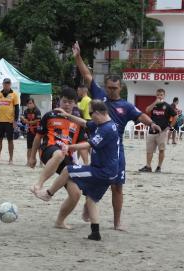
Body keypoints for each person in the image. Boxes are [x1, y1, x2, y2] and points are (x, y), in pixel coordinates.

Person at [73, 41, 161, 230]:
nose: (112, 90)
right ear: (105, 86)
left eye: (115, 87)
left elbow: (141, 115)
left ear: (120, 87)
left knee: (117, 187)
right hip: (97, 146)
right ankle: (88, 205)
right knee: (96, 179)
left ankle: (117, 222)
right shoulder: (98, 95)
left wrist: (152, 123)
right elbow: (86, 74)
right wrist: (78, 57)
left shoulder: (126, 106)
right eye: (109, 87)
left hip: (116, 151)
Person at [34, 100, 120, 241]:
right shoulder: (103, 124)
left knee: (68, 170)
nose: (90, 117)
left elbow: (89, 144)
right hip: (109, 172)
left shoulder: (107, 129)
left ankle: (48, 194)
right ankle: (95, 232)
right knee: (92, 199)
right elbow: (84, 123)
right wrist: (68, 115)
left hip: (102, 171)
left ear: (98, 113)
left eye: (91, 114)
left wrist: (70, 147)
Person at [29, 87, 86, 229]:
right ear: (59, 101)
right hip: (49, 150)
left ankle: (60, 221)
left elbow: (82, 145)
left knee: (76, 194)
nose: (67, 105)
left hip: (66, 159)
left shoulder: (79, 122)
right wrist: (32, 157)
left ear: (75, 103)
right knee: (59, 154)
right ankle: (39, 185)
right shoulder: (49, 115)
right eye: (64, 101)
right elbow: (38, 137)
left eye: (70, 102)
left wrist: (86, 163)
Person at [139, 89, 176, 173]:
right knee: (149, 150)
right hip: (152, 130)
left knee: (161, 150)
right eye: (158, 94)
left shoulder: (167, 106)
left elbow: (175, 116)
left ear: (164, 95)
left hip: (162, 132)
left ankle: (159, 167)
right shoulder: (154, 105)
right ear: (156, 95)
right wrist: (155, 102)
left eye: (161, 95)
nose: (159, 96)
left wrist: (169, 127)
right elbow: (147, 110)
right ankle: (148, 166)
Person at [0, 78, 19, 164]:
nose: (7, 85)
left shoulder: (14, 94)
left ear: (10, 84)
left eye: (8, 83)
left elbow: (17, 108)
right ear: (3, 84)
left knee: (10, 140)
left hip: (9, 121)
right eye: (5, 83)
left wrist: (15, 120)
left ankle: (11, 159)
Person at [21, 97, 41, 166]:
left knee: (38, 147)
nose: (30, 105)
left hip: (36, 131)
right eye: (28, 103)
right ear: (27, 104)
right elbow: (23, 117)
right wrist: (23, 118)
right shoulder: (26, 111)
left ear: (34, 103)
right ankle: (28, 161)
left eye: (31, 103)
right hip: (29, 130)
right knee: (29, 147)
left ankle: (41, 162)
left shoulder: (37, 110)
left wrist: (29, 122)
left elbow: (38, 120)